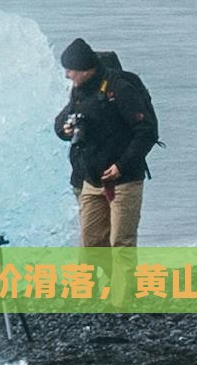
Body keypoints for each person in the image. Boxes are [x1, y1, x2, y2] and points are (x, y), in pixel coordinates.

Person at [54, 37, 157, 247]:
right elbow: (61, 122)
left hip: (124, 180)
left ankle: (123, 282)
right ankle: (91, 282)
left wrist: (121, 165)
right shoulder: (78, 91)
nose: (67, 74)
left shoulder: (119, 89)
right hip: (91, 180)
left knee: (121, 243)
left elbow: (146, 131)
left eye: (70, 69)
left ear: (84, 69)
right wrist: (65, 130)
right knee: (90, 245)